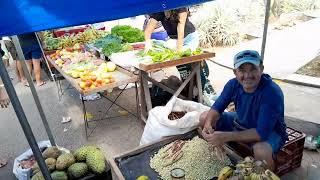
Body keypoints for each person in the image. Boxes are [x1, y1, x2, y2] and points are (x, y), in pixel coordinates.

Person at [199, 50, 288, 170]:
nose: (247, 75)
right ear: (235, 72)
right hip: (241, 122)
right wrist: (208, 125)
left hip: (270, 131)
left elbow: (261, 133)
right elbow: (217, 107)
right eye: (242, 70)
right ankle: (218, 153)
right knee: (204, 117)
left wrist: (225, 137)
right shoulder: (233, 84)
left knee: (261, 152)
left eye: (253, 69)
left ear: (261, 69)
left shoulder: (271, 92)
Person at [144, 7, 216, 104]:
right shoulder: (161, 8)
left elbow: (180, 28)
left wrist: (178, 50)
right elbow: (148, 29)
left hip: (189, 38)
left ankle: (202, 91)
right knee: (183, 68)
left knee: (189, 64)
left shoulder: (181, 6)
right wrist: (147, 42)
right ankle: (190, 93)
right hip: (175, 39)